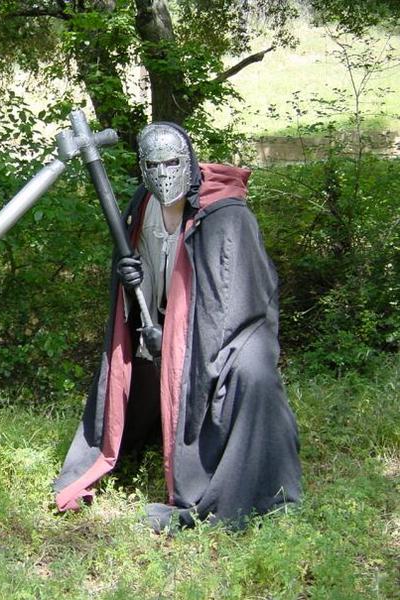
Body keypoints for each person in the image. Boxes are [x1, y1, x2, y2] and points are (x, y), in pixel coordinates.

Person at [54, 121, 301, 530]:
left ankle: (251, 487)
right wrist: (134, 278)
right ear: (142, 168)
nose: (163, 174)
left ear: (187, 160)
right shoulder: (144, 205)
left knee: (253, 375)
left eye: (171, 163)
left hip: (232, 334)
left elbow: (232, 303)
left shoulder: (225, 215)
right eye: (153, 165)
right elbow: (146, 270)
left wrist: (174, 339)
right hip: (164, 322)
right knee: (128, 360)